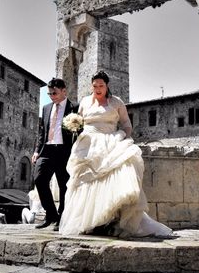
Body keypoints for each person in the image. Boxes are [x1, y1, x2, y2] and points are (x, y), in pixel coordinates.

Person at [59, 71, 172, 238]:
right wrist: (74, 127)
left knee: (120, 169)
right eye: (95, 85)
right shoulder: (84, 102)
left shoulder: (116, 102)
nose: (98, 88)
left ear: (107, 86)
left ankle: (109, 218)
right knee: (85, 181)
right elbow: (80, 121)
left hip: (110, 139)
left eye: (101, 86)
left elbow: (126, 124)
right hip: (88, 143)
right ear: (92, 86)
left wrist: (123, 136)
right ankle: (90, 221)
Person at [32, 77, 78, 230]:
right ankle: (51, 214)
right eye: (49, 94)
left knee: (64, 185)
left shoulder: (74, 108)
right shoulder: (46, 108)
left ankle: (61, 218)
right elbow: (41, 132)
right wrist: (36, 151)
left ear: (64, 91)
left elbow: (79, 132)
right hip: (47, 150)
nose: (52, 96)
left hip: (64, 152)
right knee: (39, 179)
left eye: (54, 93)